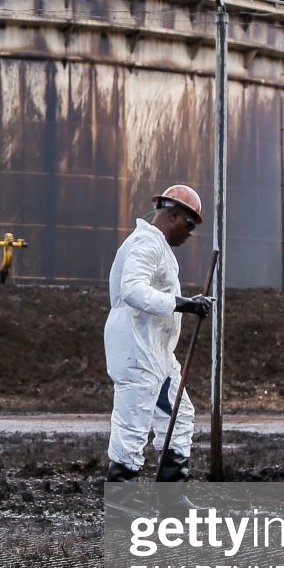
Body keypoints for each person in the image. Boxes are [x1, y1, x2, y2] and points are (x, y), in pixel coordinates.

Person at [104, 185, 213, 482]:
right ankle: (122, 505)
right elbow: (133, 290)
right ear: (173, 215)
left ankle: (171, 499)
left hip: (157, 355)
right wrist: (182, 303)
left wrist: (186, 304)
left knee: (179, 417)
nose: (190, 233)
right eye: (189, 224)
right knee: (132, 431)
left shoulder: (158, 247)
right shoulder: (146, 243)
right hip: (137, 354)